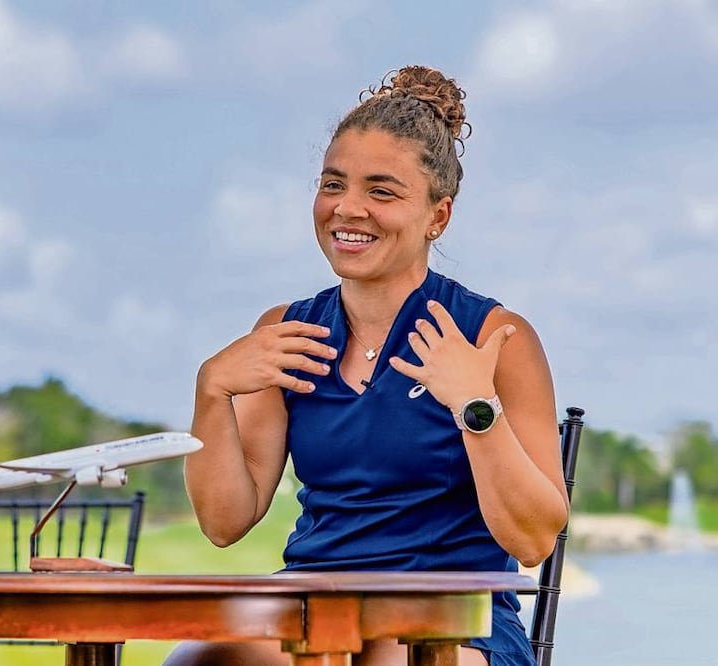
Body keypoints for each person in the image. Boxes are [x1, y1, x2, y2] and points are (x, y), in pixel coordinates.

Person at [165, 65, 567, 666]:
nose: (348, 209)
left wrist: (473, 405)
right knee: (203, 660)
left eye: (381, 191)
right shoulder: (287, 332)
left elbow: (534, 539)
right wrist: (212, 389)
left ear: (438, 216)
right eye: (333, 185)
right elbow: (225, 522)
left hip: (453, 626)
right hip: (312, 611)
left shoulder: (493, 336)